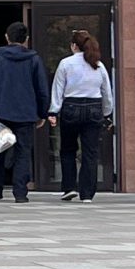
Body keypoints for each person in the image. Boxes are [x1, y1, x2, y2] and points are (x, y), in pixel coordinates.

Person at [0, 20, 49, 204]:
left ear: (6, 37)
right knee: (23, 152)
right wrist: (42, 113)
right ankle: (20, 192)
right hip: (26, 112)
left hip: (1, 111)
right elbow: (42, 88)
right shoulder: (34, 58)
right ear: (26, 39)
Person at [50, 28, 116, 202]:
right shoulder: (98, 65)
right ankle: (87, 193)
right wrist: (107, 113)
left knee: (68, 149)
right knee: (90, 152)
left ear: (74, 46)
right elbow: (106, 92)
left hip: (71, 106)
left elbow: (58, 89)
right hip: (94, 107)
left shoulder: (66, 63)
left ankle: (69, 187)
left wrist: (53, 111)